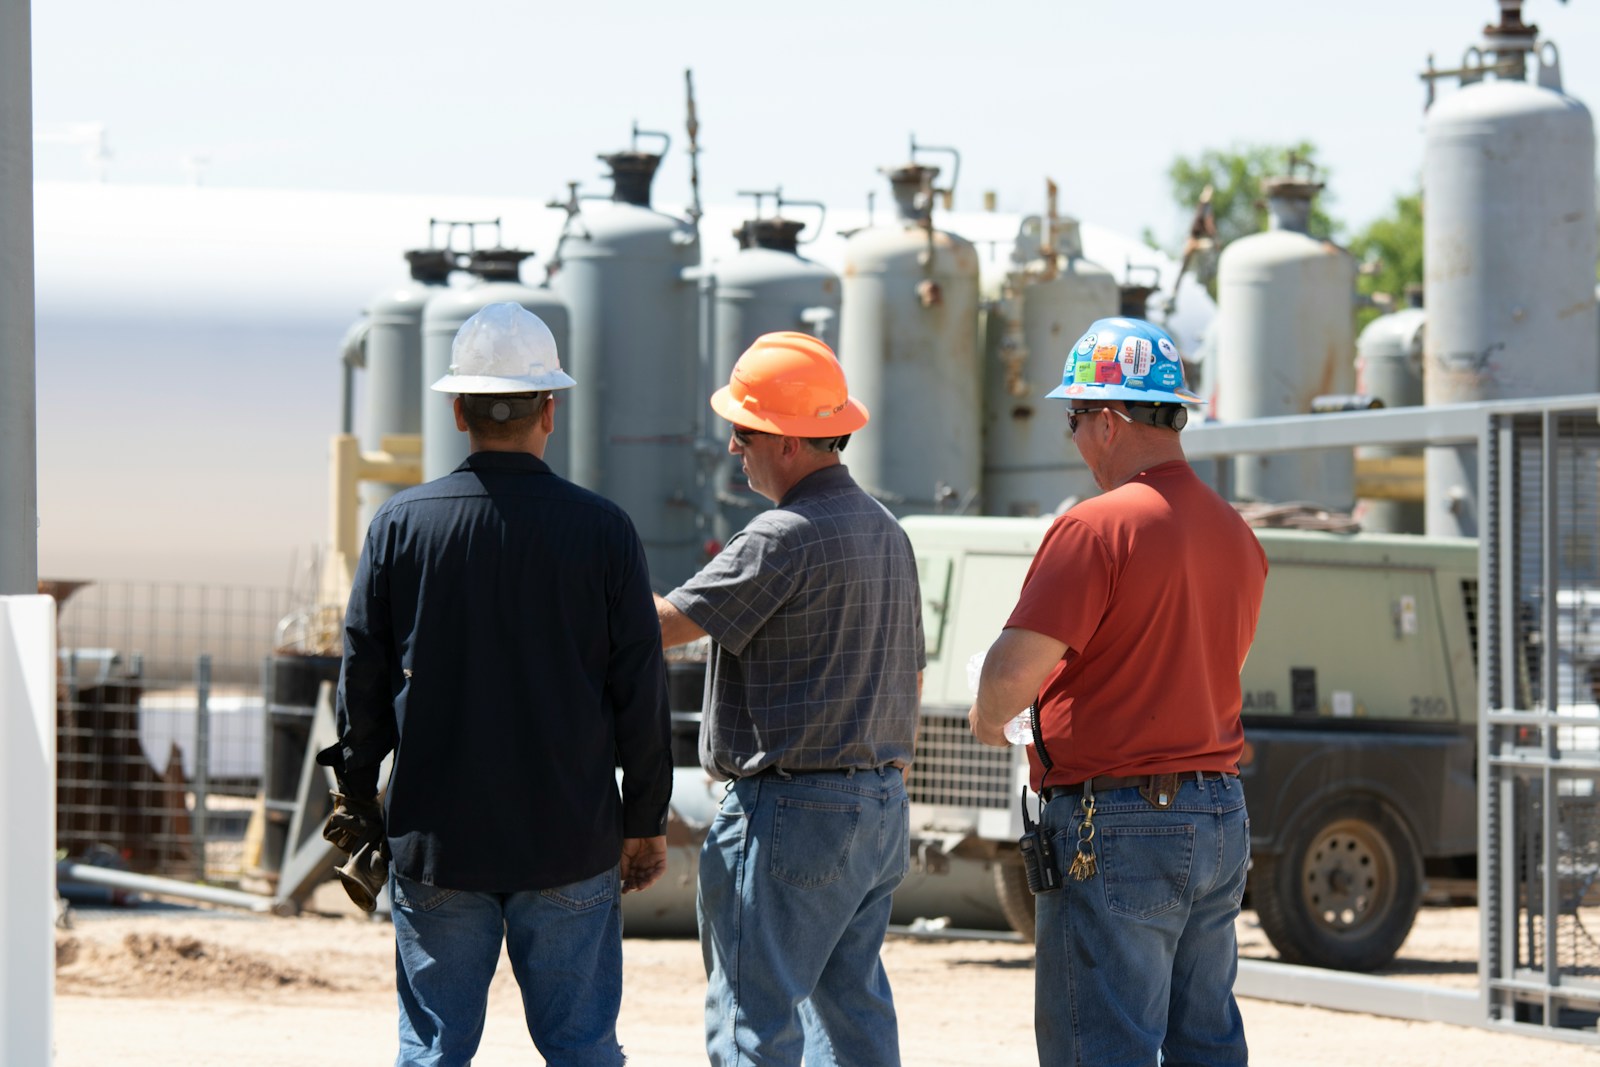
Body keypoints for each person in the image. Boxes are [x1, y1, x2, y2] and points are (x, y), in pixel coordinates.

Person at [317, 301, 673, 1067]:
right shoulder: (605, 531)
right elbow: (639, 690)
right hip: (570, 838)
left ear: (456, 410)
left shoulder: (401, 525)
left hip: (439, 838)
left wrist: (356, 790)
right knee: (582, 1048)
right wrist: (644, 819)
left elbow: (363, 675)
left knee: (435, 1050)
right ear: (551, 407)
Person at [966, 316, 1267, 1066]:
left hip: (1120, 820)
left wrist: (986, 715)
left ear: (1106, 420)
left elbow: (1009, 679)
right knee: (1205, 1041)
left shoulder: (1096, 528)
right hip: (1218, 810)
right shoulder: (1236, 532)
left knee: (1099, 1047)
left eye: (1074, 419)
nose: (1074, 440)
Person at [654, 331, 924, 1067]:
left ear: (785, 442)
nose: (735, 450)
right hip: (877, 808)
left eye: (742, 433)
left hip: (791, 813)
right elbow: (913, 675)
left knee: (753, 1020)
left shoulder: (781, 535)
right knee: (851, 1015)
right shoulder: (887, 530)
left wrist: (577, 580)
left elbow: (663, 627)